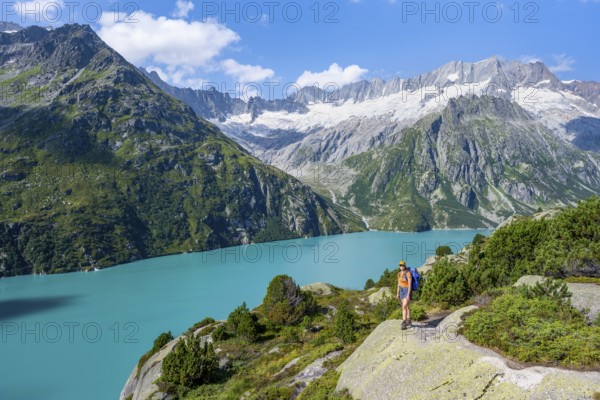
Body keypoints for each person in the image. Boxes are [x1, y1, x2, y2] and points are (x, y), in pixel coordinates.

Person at [396, 260, 412, 330]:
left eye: (402, 265)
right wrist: (397, 293)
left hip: (407, 290)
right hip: (402, 290)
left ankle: (404, 322)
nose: (401, 266)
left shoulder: (408, 273)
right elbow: (398, 284)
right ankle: (409, 320)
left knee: (404, 306)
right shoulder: (399, 274)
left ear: (405, 266)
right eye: (400, 265)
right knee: (406, 306)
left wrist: (408, 295)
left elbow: (410, 285)